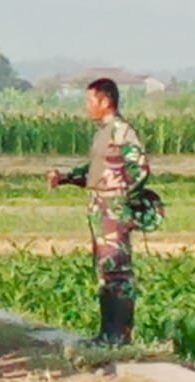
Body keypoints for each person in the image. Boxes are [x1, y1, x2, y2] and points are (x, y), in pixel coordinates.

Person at [47, 78, 148, 346]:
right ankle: (106, 335)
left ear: (105, 101)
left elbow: (140, 169)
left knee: (118, 274)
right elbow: (95, 171)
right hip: (100, 210)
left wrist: (125, 201)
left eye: (90, 101)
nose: (87, 106)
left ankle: (120, 336)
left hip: (113, 211)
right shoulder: (104, 132)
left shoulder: (121, 131)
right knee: (106, 272)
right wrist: (67, 177)